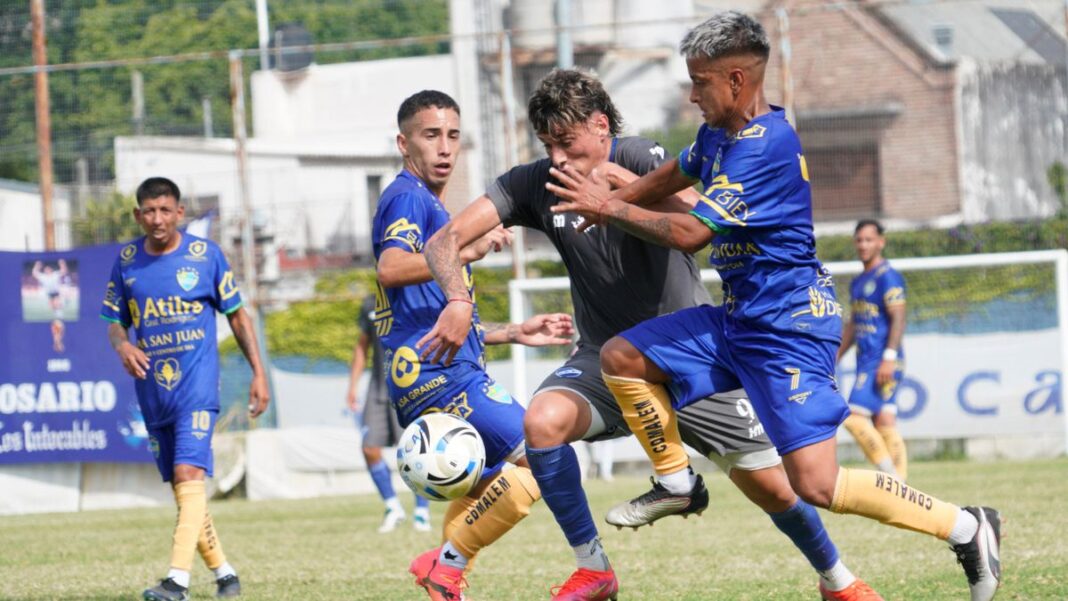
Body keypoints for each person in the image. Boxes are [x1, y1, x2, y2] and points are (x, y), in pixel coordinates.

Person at [545, 13, 1001, 601]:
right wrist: (609, 196)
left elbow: (691, 235)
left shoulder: (764, 147)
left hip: (788, 328)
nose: (692, 93)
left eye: (700, 82)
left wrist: (608, 208)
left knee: (815, 484)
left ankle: (967, 527)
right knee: (622, 355)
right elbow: (671, 174)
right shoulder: (720, 135)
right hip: (738, 319)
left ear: (737, 81)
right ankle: (676, 480)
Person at [421, 69, 879, 601]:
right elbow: (443, 242)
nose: (560, 158)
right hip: (604, 361)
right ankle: (594, 569)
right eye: (549, 145)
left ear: (599, 126)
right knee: (541, 423)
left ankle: (839, 581)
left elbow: (698, 231)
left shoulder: (639, 158)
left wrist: (619, 196)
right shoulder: (535, 182)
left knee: (775, 489)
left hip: (687, 355)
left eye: (567, 143)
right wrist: (457, 297)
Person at [371, 89, 575, 601]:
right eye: (430, 135)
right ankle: (445, 566)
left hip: (437, 366)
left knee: (485, 483)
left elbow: (425, 314)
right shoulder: (406, 197)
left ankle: (443, 578)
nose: (444, 147)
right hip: (440, 376)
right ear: (404, 142)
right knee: (542, 456)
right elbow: (391, 269)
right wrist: (468, 249)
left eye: (453, 136)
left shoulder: (429, 203)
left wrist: (511, 333)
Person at [101, 177, 269, 601]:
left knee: (188, 474)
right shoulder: (126, 262)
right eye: (149, 211)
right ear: (138, 215)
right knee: (184, 490)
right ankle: (225, 574)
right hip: (154, 392)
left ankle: (176, 581)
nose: (157, 219)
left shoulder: (205, 256)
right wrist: (122, 345)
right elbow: (115, 321)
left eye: (165, 210)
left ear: (179, 214)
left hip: (196, 387)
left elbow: (237, 316)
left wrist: (259, 373)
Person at [346, 292, 432, 532]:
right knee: (369, 447)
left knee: (415, 450)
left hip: (409, 385)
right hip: (378, 386)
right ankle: (393, 507)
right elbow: (362, 346)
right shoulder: (370, 303)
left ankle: (422, 511)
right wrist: (352, 385)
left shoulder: (418, 298)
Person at [837, 220, 909, 480]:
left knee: (853, 418)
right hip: (867, 359)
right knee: (884, 422)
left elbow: (899, 317)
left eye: (869, 239)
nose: (863, 245)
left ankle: (891, 477)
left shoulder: (887, 276)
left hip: (882, 361)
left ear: (881, 242)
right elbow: (854, 325)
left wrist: (889, 358)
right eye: (859, 240)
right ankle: (902, 488)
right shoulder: (859, 282)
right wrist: (833, 357)